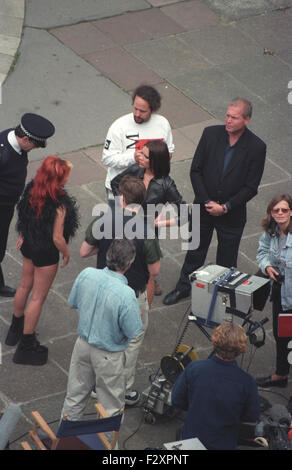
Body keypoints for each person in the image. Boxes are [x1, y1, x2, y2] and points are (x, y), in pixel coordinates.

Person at [163, 98, 267, 305]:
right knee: (195, 251)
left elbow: (251, 187)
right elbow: (196, 170)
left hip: (232, 213)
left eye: (234, 117)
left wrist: (226, 207)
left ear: (246, 119)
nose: (228, 120)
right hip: (204, 208)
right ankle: (184, 287)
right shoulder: (211, 134)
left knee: (227, 259)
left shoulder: (256, 147)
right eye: (227, 115)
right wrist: (207, 201)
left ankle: (221, 299)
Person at [80, 175, 161, 405]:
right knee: (131, 341)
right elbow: (154, 270)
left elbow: (84, 251)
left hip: (103, 290)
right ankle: (122, 390)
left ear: (122, 198)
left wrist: (105, 247)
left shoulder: (104, 219)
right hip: (131, 295)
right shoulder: (145, 230)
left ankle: (97, 385)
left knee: (102, 335)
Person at [5, 156, 79, 366]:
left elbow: (24, 216)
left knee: (24, 285)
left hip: (28, 244)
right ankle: (26, 344)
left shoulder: (31, 189)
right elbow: (57, 237)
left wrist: (23, 235)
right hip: (45, 252)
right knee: (37, 297)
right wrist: (66, 253)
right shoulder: (60, 204)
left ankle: (15, 329)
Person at [62, 239, 143, 419]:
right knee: (111, 407)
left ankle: (64, 441)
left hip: (82, 345)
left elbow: (72, 302)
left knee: (74, 397)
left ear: (108, 256)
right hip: (108, 355)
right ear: (129, 264)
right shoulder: (126, 294)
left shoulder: (87, 274)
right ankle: (105, 445)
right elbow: (134, 331)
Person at [111, 139, 186, 296]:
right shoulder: (136, 170)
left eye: (144, 156)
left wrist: (162, 223)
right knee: (121, 259)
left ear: (155, 161)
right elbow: (115, 183)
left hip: (147, 231)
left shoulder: (166, 185)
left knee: (147, 270)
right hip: (126, 225)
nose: (139, 157)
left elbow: (185, 214)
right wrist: (123, 205)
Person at [171, 321, 260, 450]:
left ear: (215, 342)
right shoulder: (247, 382)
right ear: (240, 349)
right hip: (223, 443)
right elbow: (251, 416)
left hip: (191, 439)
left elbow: (177, 400)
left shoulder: (194, 368)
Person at [0, 113, 55, 297]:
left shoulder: (12, 138)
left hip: (7, 206)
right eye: (33, 145)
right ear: (24, 138)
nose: (33, 149)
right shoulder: (3, 153)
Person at [101, 84, 174, 203]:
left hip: (150, 190)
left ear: (153, 109)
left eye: (142, 111)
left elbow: (169, 151)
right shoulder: (119, 126)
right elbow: (107, 159)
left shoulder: (163, 124)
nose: (137, 114)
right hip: (121, 190)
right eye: (135, 108)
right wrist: (133, 157)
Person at [256, 194, 292, 388]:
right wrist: (267, 267)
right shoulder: (270, 233)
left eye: (284, 210)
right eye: (276, 210)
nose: (280, 213)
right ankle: (281, 374)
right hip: (279, 293)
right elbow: (262, 252)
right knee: (281, 334)